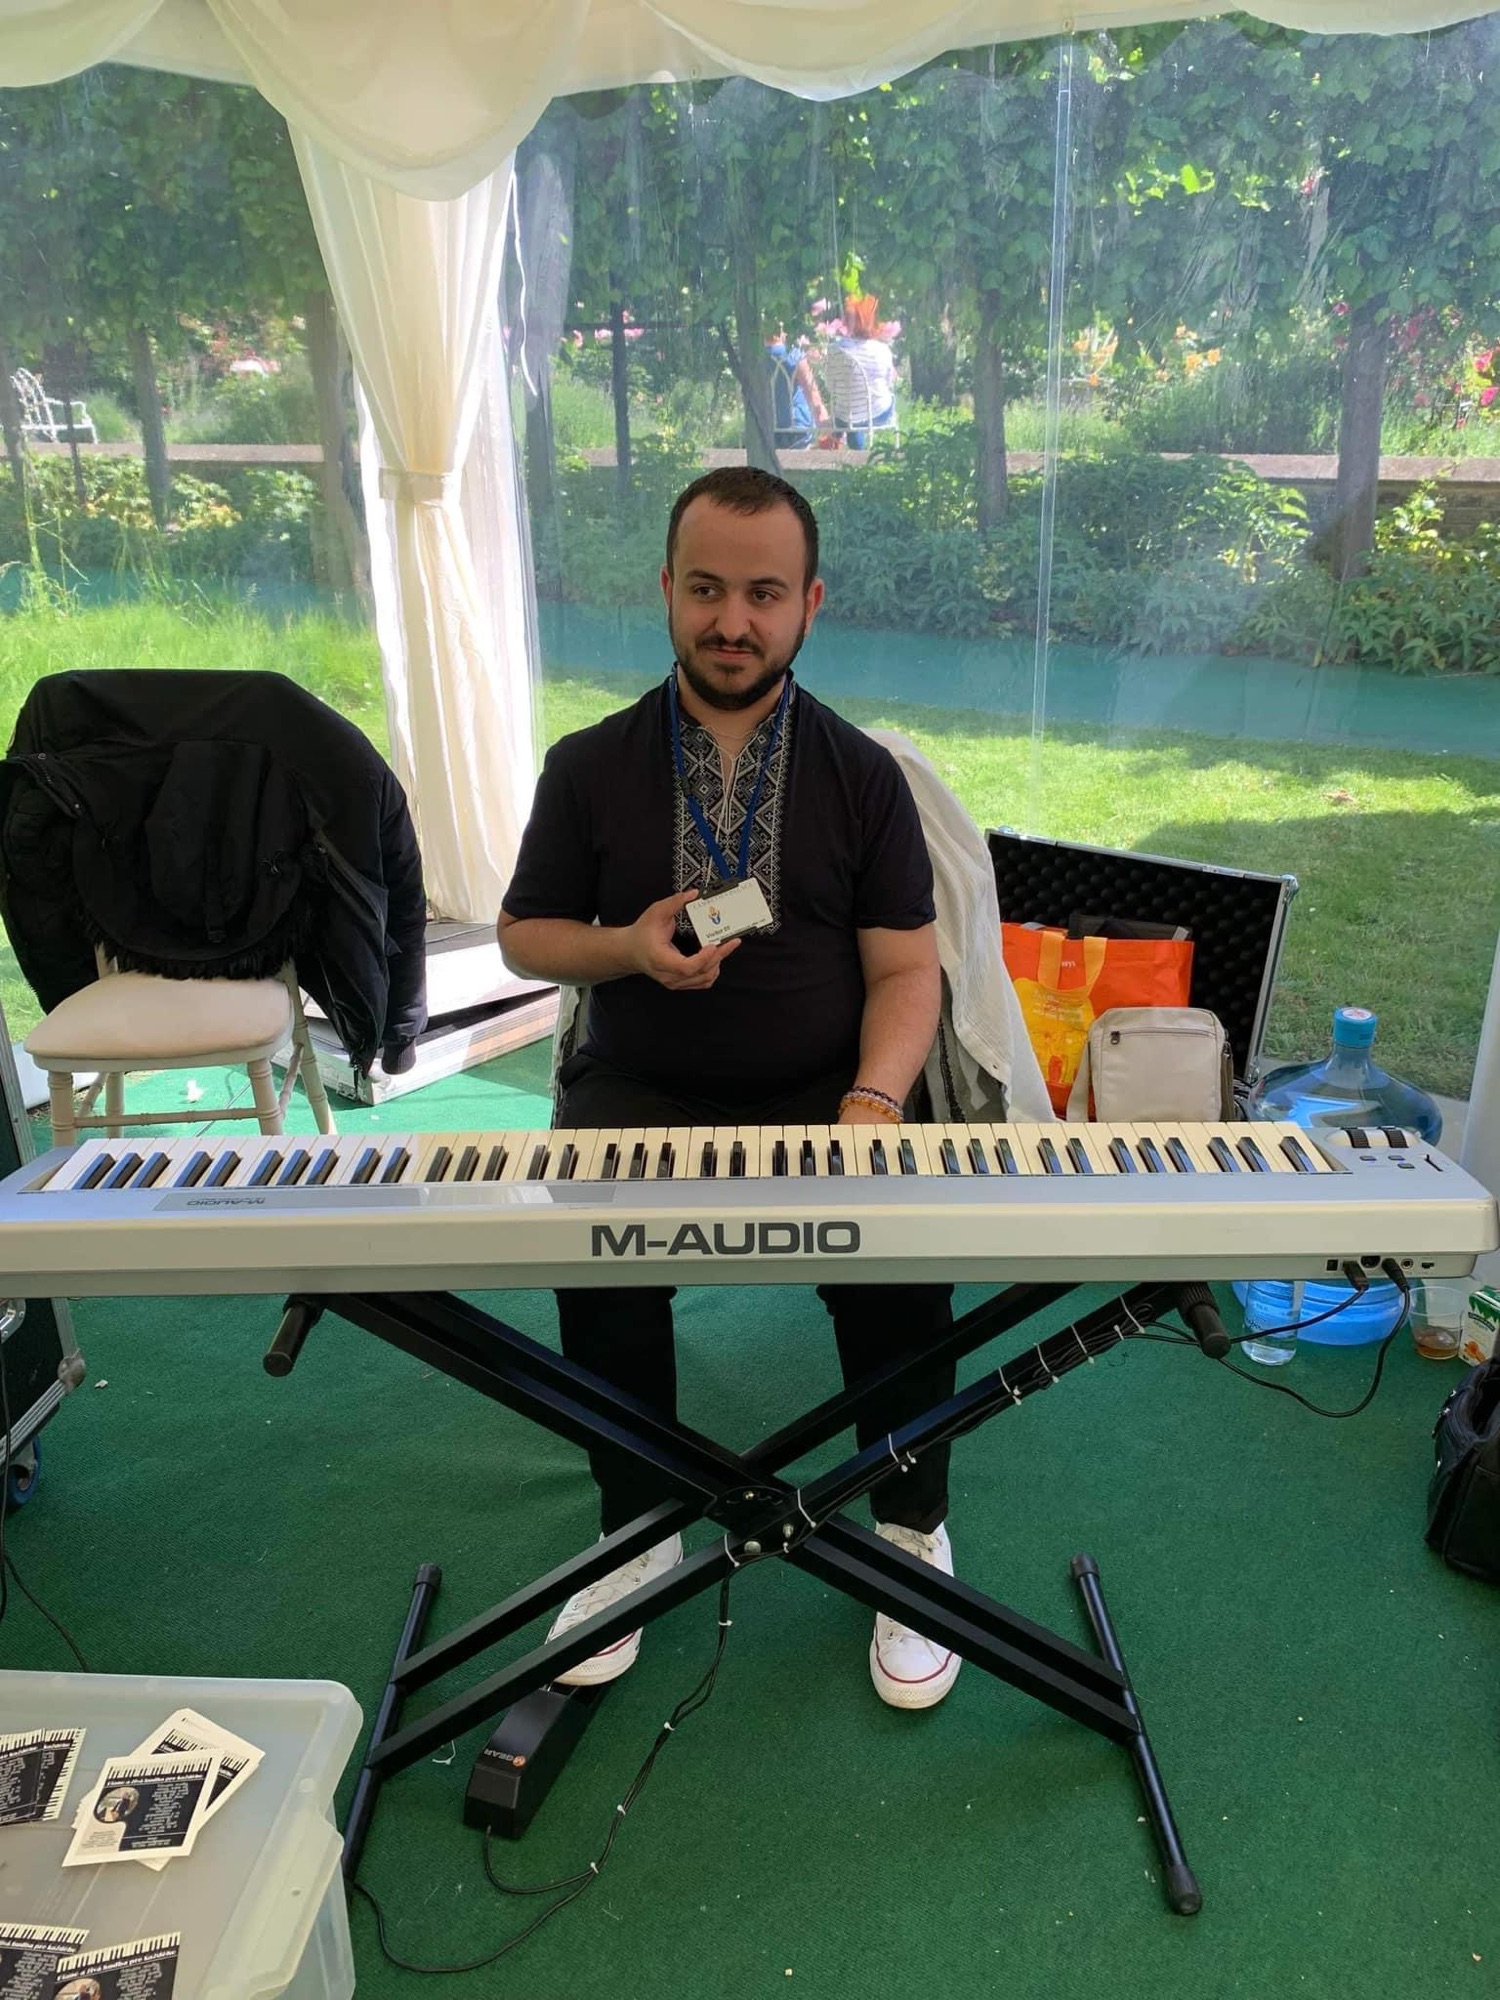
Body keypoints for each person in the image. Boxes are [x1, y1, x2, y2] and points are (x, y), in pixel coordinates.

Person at [498, 466, 961, 1711]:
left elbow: (906, 970)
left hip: (828, 1085)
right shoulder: (588, 764)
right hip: (639, 1080)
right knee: (597, 1262)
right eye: (706, 588)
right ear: (666, 588)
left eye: (764, 593)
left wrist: (874, 1103)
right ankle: (637, 1521)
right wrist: (625, 946)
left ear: (810, 602)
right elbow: (525, 934)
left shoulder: (864, 776)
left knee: (902, 1265)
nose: (732, 620)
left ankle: (910, 1521)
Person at [829, 292, 898, 450]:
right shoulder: (882, 350)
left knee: (850, 414)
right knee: (872, 406)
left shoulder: (835, 349)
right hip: (877, 412)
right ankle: (858, 456)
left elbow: (830, 384)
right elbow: (888, 382)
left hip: (845, 413)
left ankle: (850, 449)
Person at [765, 328, 829, 449]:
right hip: (797, 424)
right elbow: (811, 390)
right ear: (782, 331)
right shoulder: (793, 354)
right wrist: (824, 422)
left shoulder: (756, 358)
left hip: (767, 425)